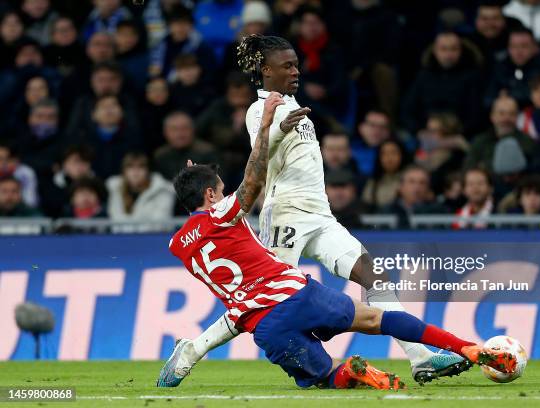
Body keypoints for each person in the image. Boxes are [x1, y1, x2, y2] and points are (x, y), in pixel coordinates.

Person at [157, 93, 516, 389]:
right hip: (294, 296)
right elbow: (252, 180)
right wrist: (266, 127)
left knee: (327, 377)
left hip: (263, 327)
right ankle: (465, 347)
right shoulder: (222, 214)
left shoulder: (179, 245)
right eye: (220, 190)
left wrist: (194, 179)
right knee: (377, 320)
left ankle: (360, 372)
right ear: (211, 195)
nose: (225, 193)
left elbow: (205, 220)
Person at [180, 34, 472, 386]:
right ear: (266, 70)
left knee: (373, 275)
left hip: (319, 214)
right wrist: (277, 129)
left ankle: (420, 358)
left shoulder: (292, 104)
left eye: (296, 64)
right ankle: (194, 349)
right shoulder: (261, 109)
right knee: (258, 299)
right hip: (285, 213)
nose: (295, 71)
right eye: (287, 66)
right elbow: (259, 156)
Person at [400, 31, 483, 135]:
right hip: (424, 132)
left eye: (453, 49)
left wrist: (458, 132)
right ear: (435, 50)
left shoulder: (472, 77)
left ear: (461, 51)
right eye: (443, 49)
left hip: (458, 133)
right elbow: (407, 110)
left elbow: (475, 114)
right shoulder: (424, 76)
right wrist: (419, 131)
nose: (449, 54)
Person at [464, 96, 535, 172]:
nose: (506, 118)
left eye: (512, 114)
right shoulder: (480, 142)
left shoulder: (527, 142)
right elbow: (469, 169)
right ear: (492, 116)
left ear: (517, 117)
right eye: (501, 113)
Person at [106, 152, 174, 221]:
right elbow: (115, 222)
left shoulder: (163, 190)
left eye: (141, 167)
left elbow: (160, 225)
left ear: (148, 171)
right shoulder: (115, 189)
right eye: (130, 167)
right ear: (124, 171)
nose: (135, 172)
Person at [153, 111, 216, 181]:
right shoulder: (160, 155)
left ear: (193, 129)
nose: (180, 134)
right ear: (165, 132)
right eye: (174, 129)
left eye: (185, 128)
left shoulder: (208, 152)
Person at [362, 139, 411, 211]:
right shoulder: (373, 182)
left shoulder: (412, 178)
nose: (389, 158)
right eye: (384, 154)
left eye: (393, 152)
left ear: (402, 154)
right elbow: (366, 204)